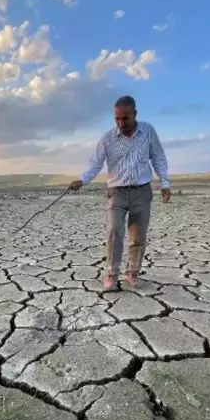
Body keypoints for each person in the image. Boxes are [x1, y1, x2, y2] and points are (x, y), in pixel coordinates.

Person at [68, 95, 171, 291]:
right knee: (115, 231)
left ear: (135, 115)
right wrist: (82, 180)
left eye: (125, 118)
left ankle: (133, 273)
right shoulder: (108, 138)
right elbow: (95, 163)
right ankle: (112, 275)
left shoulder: (148, 131)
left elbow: (158, 157)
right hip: (117, 191)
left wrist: (165, 183)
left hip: (142, 190)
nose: (121, 123)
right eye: (117, 118)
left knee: (138, 236)